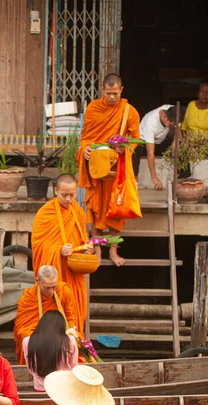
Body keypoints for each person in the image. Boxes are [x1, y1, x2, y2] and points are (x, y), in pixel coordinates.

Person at [77, 73, 140, 266]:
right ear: (102, 90)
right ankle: (97, 250)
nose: (112, 97)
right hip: (97, 167)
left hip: (117, 169)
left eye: (115, 93)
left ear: (121, 90)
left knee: (117, 210)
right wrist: (85, 150)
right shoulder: (93, 108)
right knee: (96, 211)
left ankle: (113, 250)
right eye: (108, 93)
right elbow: (86, 138)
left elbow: (135, 138)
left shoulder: (130, 112)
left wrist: (125, 147)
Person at [31, 174, 89, 335]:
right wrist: (58, 250)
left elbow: (81, 238)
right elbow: (38, 245)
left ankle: (74, 347)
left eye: (72, 194)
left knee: (75, 313)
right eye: (64, 195)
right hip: (55, 276)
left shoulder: (77, 211)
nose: (69, 199)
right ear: (56, 190)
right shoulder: (45, 213)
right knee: (55, 313)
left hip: (74, 275)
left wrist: (86, 248)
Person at [14, 265, 77, 364]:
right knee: (25, 337)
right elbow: (21, 327)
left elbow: (69, 317)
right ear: (37, 281)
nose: (51, 291)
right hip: (37, 334)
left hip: (60, 333)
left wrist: (69, 332)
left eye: (54, 287)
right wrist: (40, 338)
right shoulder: (28, 298)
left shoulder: (64, 291)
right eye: (47, 287)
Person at [23, 310, 78, 392]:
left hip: (40, 388)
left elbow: (30, 367)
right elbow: (74, 366)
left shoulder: (27, 341)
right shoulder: (70, 340)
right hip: (64, 390)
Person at [132, 105, 178, 192]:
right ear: (164, 115)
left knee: (182, 148)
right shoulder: (150, 122)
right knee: (135, 150)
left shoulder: (174, 111)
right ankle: (135, 181)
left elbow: (178, 129)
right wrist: (155, 178)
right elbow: (150, 153)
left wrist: (175, 141)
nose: (169, 126)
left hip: (161, 140)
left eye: (172, 126)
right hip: (143, 140)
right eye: (170, 124)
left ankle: (180, 180)